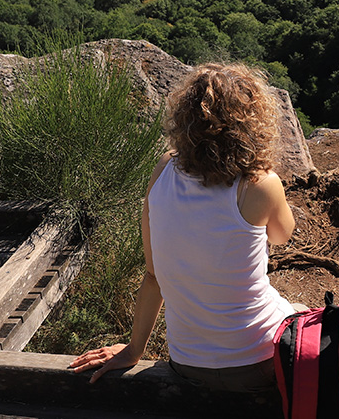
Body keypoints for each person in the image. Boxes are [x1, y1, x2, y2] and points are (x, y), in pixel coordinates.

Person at [69, 62, 299, 392]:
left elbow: (153, 276)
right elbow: (281, 234)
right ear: (254, 126)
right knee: (303, 311)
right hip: (260, 361)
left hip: (188, 361)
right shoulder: (259, 184)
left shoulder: (164, 168)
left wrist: (134, 350)